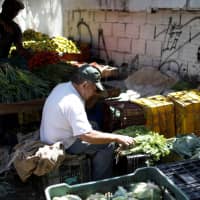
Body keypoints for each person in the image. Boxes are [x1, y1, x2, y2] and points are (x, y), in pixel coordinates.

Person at [40, 64, 135, 180]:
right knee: (108, 145)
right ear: (85, 85)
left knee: (94, 125)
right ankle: (102, 182)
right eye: (94, 88)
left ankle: (94, 163)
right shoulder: (73, 102)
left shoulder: (62, 87)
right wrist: (116, 137)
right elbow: (86, 135)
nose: (95, 92)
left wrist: (95, 97)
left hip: (49, 135)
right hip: (62, 144)